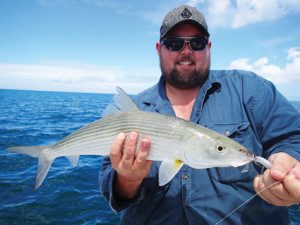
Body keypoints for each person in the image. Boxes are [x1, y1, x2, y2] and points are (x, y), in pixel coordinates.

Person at [99, 5, 300, 225]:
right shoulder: (134, 108)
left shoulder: (252, 90)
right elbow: (111, 185)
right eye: (174, 43)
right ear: (159, 49)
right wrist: (128, 179)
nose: (186, 51)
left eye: (197, 43)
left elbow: (292, 137)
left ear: (209, 47)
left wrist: (289, 162)